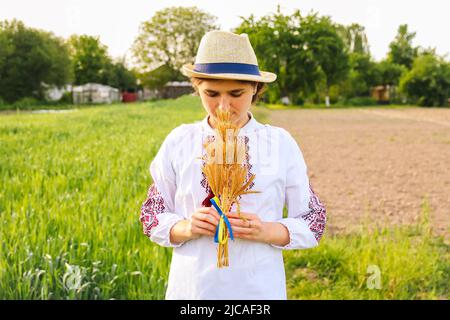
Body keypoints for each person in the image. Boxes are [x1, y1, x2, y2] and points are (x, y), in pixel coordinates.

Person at [139, 30, 327, 300]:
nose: (223, 105)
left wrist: (267, 231)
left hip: (258, 289)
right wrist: (187, 227)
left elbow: (313, 219)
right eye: (211, 93)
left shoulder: (279, 143)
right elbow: (152, 215)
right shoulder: (180, 140)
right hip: (193, 290)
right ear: (197, 88)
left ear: (256, 89)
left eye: (236, 93)